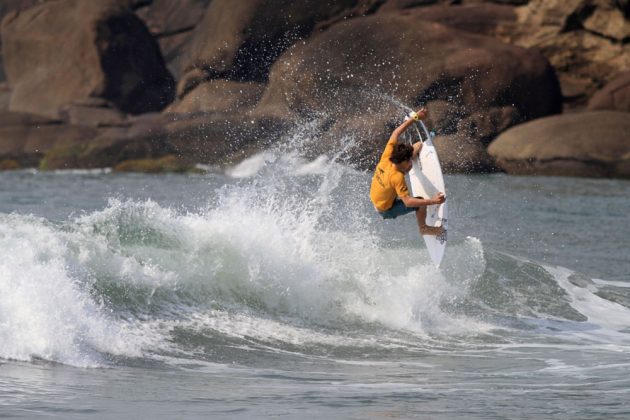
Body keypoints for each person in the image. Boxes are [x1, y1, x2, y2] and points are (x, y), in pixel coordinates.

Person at [369, 107, 446, 236]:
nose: (410, 162)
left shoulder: (387, 156)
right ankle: (424, 229)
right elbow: (408, 202)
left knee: (417, 146)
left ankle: (412, 152)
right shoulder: (397, 177)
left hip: (377, 197)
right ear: (402, 161)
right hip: (385, 209)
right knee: (420, 202)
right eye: (409, 160)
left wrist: (415, 118)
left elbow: (395, 133)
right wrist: (433, 201)